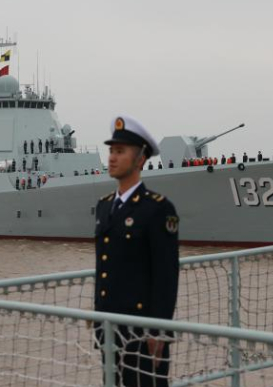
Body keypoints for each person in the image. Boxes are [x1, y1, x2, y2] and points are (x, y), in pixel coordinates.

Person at [94, 115, 179, 387]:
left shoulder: (157, 208)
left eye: (120, 152)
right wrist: (99, 323)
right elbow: (104, 270)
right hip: (111, 329)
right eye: (111, 151)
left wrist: (158, 332)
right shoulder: (105, 206)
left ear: (140, 159)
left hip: (142, 333)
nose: (112, 158)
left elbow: (167, 275)